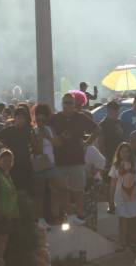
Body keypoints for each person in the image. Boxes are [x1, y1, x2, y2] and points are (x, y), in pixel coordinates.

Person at [49, 93, 98, 225]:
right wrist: (57, 139)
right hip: (59, 160)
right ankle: (66, 215)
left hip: (77, 159)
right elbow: (46, 132)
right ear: (62, 104)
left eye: (70, 102)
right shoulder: (55, 118)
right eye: (65, 102)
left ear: (74, 104)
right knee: (61, 190)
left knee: (78, 190)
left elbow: (97, 129)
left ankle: (80, 215)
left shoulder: (80, 117)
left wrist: (87, 143)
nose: (68, 105)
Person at [109, 142, 136, 252]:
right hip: (120, 197)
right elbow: (112, 184)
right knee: (122, 220)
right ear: (118, 152)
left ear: (130, 152)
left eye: (127, 151)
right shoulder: (116, 165)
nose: (125, 153)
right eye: (122, 151)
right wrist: (111, 200)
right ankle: (122, 244)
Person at [0, 106, 36, 192]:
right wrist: (3, 146)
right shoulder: (9, 130)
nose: (21, 120)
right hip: (11, 165)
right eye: (19, 117)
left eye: (23, 118)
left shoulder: (29, 130)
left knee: (27, 190)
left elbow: (34, 145)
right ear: (15, 118)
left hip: (26, 164)